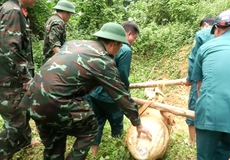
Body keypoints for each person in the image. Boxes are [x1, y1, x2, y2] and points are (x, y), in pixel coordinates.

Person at [19, 22, 152, 160]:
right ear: (114, 44)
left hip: (33, 100)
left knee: (55, 144)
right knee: (91, 128)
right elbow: (120, 95)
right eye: (121, 45)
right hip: (56, 102)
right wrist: (138, 123)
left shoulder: (74, 44)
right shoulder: (103, 60)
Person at [191, 9, 230, 160]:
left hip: (209, 114)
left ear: (218, 29)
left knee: (204, 156)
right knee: (227, 146)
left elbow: (199, 88)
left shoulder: (205, 48)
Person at [85, 21, 140, 157]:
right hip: (111, 97)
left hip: (94, 93)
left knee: (97, 122)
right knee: (117, 124)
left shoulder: (100, 46)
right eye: (135, 37)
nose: (134, 41)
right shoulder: (125, 49)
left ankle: (94, 154)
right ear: (128, 34)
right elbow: (122, 76)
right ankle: (117, 152)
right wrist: (125, 95)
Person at [0, 0, 39, 159]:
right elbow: (10, 49)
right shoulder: (13, 11)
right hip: (10, 80)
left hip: (13, 77)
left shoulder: (16, 9)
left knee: (21, 113)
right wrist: (26, 79)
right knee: (15, 122)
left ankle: (24, 143)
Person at [184, 16, 215, 145]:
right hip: (221, 81)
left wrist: (190, 79)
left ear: (206, 25)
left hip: (202, 78)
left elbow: (193, 60)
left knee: (194, 107)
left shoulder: (202, 34)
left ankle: (192, 141)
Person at [42, 0, 75, 64]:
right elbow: (55, 45)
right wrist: (64, 60)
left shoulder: (51, 19)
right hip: (54, 62)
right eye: (70, 14)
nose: (70, 17)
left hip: (49, 60)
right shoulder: (58, 22)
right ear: (66, 12)